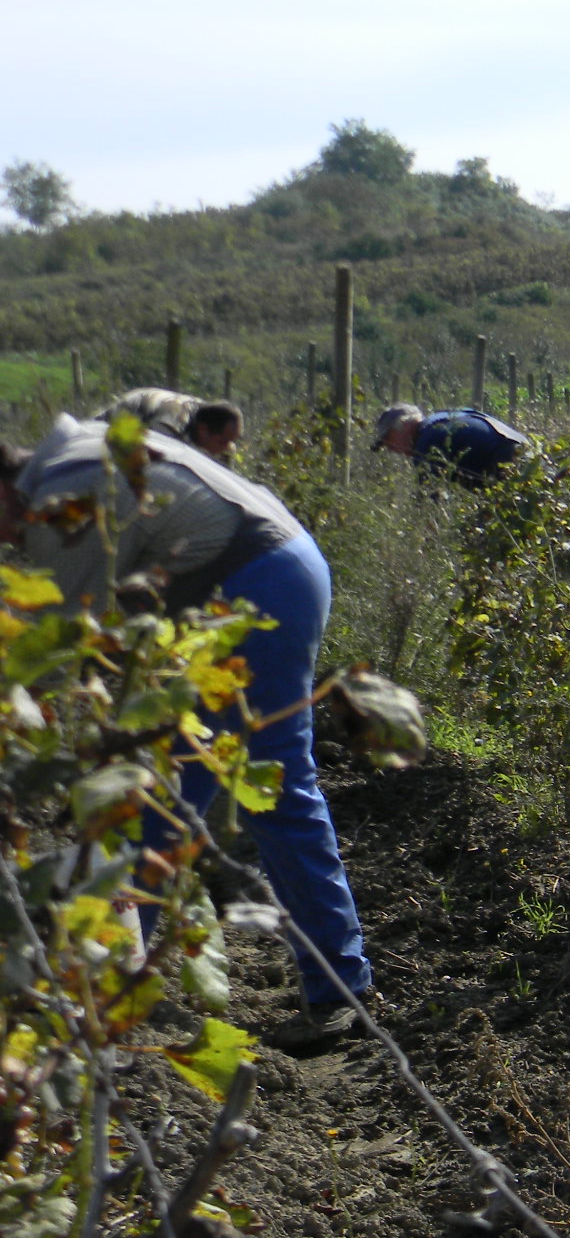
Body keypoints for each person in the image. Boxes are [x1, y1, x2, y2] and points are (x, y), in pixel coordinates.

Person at [1, 413, 373, 1049]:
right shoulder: (75, 454)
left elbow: (49, 654)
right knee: (162, 798)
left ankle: (339, 989)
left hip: (256, 583)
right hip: (273, 569)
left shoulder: (64, 493)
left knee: (260, 789)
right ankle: (111, 988)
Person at [372, 402, 529, 485]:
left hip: (509, 464)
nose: (390, 449)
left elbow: (429, 501)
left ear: (404, 426)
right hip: (529, 454)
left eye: (389, 440)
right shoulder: (441, 419)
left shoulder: (427, 441)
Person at [98, 389, 243, 461]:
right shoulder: (171, 424)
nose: (227, 449)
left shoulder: (204, 415)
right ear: (203, 430)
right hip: (101, 432)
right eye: (222, 442)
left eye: (231, 442)